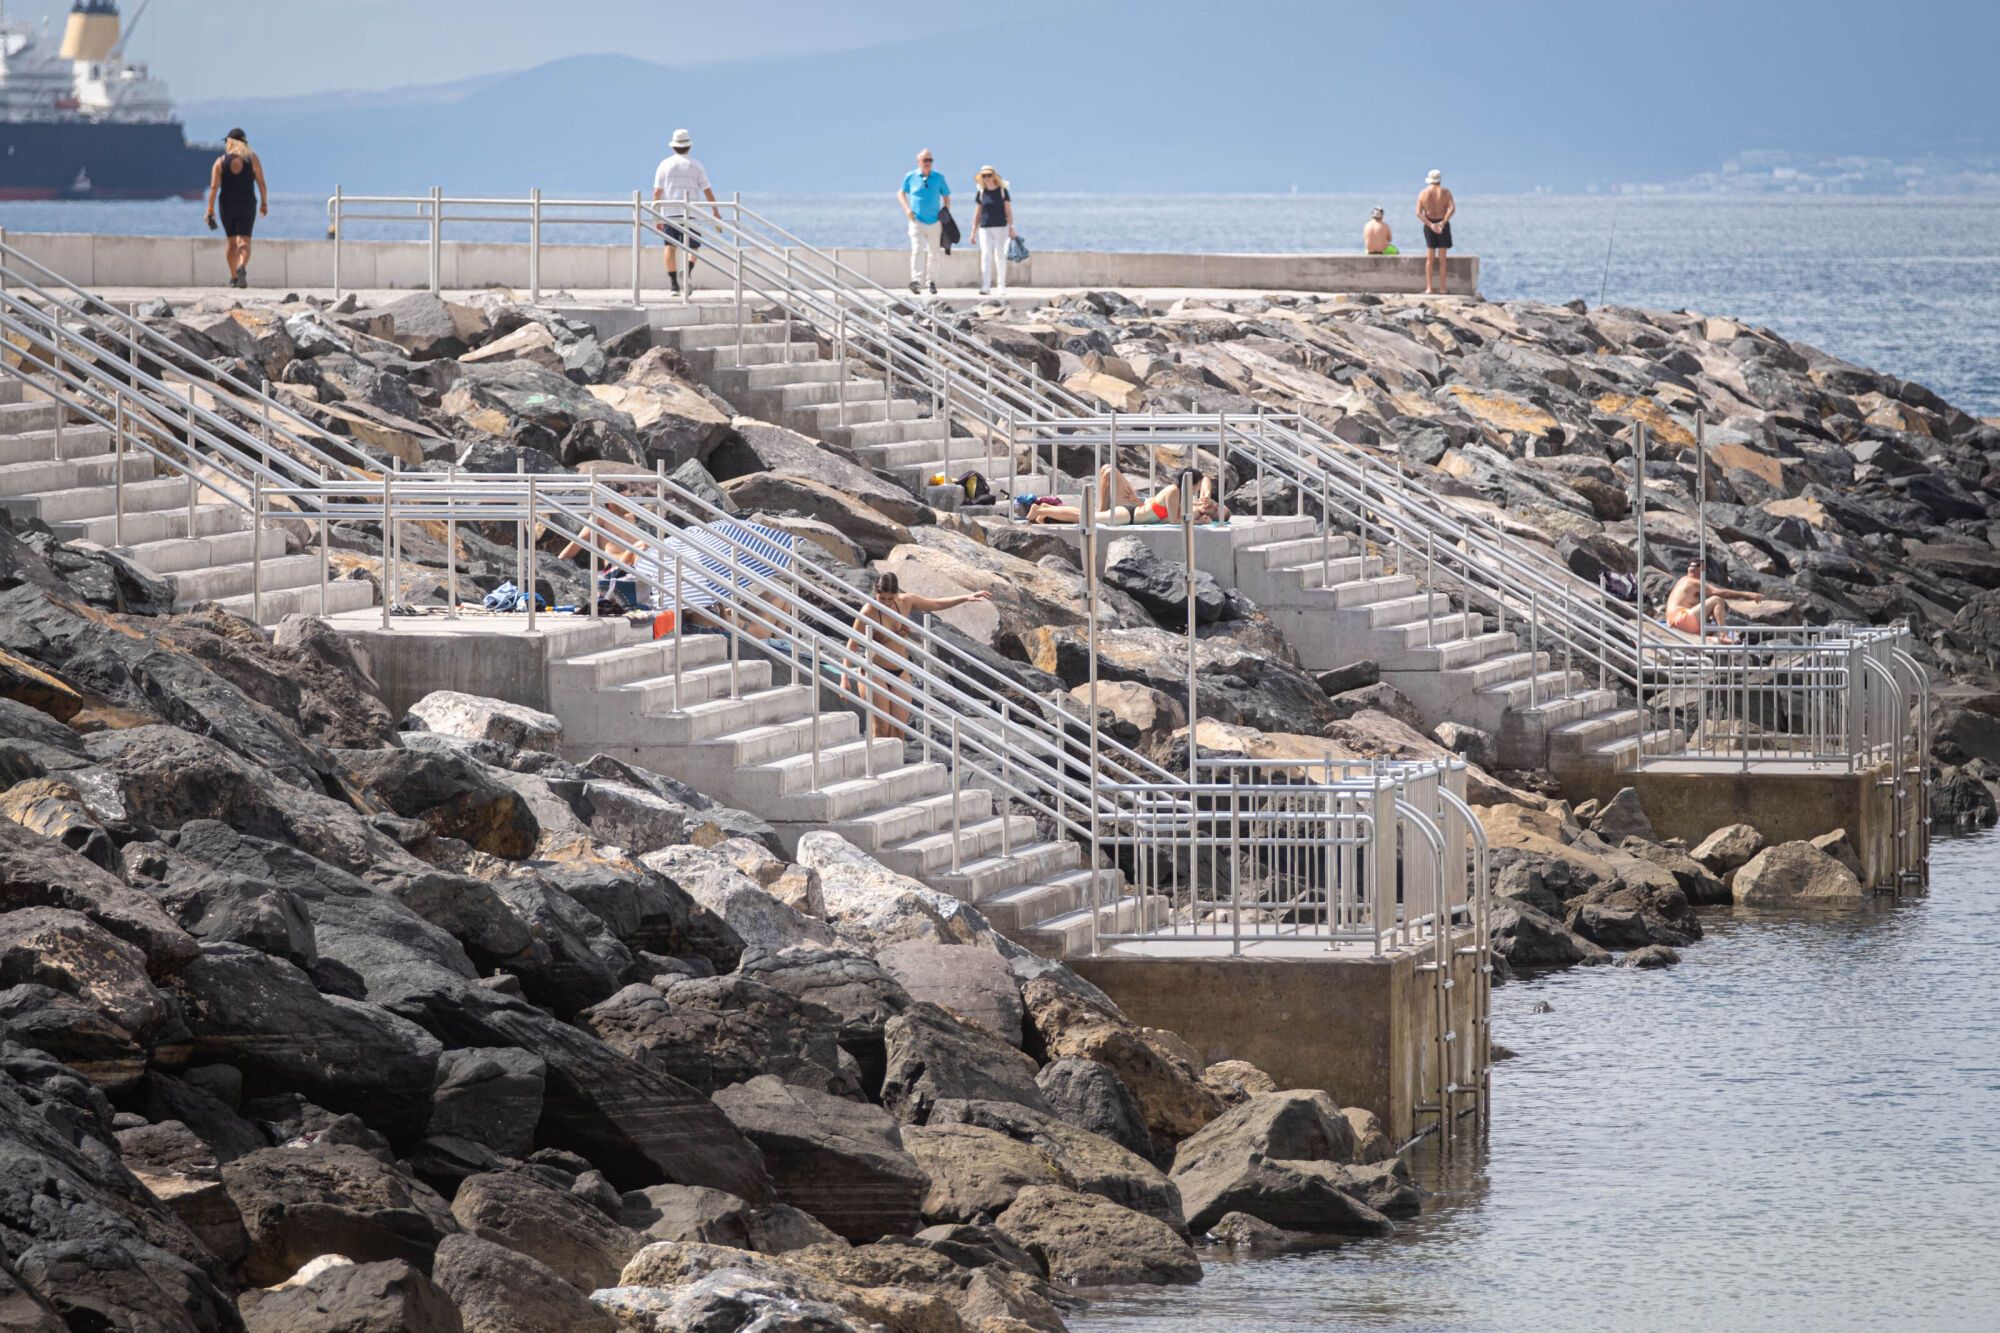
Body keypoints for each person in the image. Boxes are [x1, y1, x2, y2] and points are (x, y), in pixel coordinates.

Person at [843, 571, 991, 737]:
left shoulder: (906, 601)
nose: (885, 603)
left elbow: (935, 604)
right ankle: (875, 762)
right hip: (875, 671)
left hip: (900, 671)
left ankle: (894, 762)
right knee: (881, 728)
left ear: (897, 594)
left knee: (899, 729)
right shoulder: (868, 612)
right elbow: (852, 645)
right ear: (875, 592)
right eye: (881, 598)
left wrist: (966, 597)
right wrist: (844, 678)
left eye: (890, 599)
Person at [1026, 465, 1227, 526]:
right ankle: (1041, 509)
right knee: (1084, 516)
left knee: (1086, 516)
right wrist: (1199, 522)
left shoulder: (1183, 496)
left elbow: (1206, 480)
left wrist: (1206, 500)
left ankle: (1045, 512)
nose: (1197, 491)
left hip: (1134, 511)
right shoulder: (1175, 492)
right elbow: (1175, 521)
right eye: (1197, 486)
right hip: (1130, 515)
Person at [653, 128, 719, 295]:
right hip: (691, 213)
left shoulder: (664, 165)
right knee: (694, 247)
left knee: (670, 247)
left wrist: (656, 216)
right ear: (689, 146)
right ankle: (687, 272)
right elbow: (707, 190)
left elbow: (657, 193)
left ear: (673, 146)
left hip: (670, 213)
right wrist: (715, 211)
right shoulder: (696, 165)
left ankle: (674, 284)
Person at [204, 129, 267, 289]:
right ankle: (241, 266)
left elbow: (213, 188)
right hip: (247, 203)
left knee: (232, 243)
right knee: (244, 242)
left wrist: (210, 210)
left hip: (227, 204)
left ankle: (233, 277)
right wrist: (264, 203)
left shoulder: (220, 162)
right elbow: (261, 183)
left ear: (230, 142)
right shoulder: (252, 159)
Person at [898, 149, 951, 295]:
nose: (928, 163)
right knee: (917, 249)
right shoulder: (911, 176)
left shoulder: (939, 178)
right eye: (925, 160)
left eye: (930, 160)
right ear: (919, 162)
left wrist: (945, 210)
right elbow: (901, 193)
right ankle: (916, 280)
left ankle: (931, 281)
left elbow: (946, 196)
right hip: (916, 220)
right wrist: (907, 209)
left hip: (935, 221)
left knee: (934, 252)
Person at [1664, 558, 1758, 638]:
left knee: (1711, 625)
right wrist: (1747, 595)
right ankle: (1723, 635)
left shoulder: (1682, 580)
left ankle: (1720, 638)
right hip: (1680, 620)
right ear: (1702, 569)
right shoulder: (1694, 582)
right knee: (1716, 600)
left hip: (1673, 622)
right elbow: (1719, 593)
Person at [968, 165, 1014, 298]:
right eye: (984, 176)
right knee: (986, 255)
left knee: (1000, 256)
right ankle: (986, 286)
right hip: (985, 228)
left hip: (1001, 227)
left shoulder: (1003, 191)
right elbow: (977, 213)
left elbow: (1008, 210)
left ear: (994, 176)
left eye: (989, 175)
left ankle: (1001, 285)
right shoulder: (981, 193)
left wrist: (1012, 227)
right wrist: (973, 231)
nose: (987, 178)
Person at [1416, 168, 1455, 295]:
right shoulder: (1445, 192)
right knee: (1443, 259)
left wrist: (1431, 225)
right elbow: (1452, 208)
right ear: (1439, 180)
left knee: (1430, 258)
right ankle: (1443, 288)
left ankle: (1429, 288)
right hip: (1442, 225)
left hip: (1429, 225)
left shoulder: (1423, 193)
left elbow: (1418, 213)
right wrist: (1443, 222)